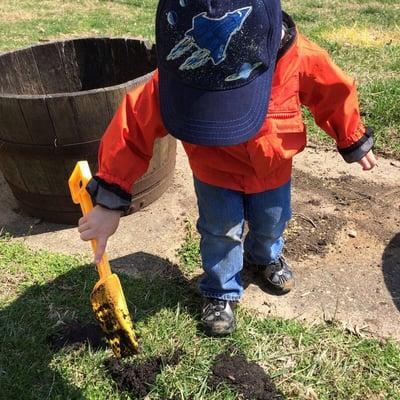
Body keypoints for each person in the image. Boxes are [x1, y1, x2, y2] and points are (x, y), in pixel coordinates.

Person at [78, 0, 377, 336]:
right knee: (219, 231)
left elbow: (332, 92)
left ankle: (265, 256)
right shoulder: (180, 69)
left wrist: (351, 137)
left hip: (271, 169)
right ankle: (220, 289)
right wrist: (109, 198)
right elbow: (134, 123)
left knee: (272, 221)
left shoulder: (297, 56)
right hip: (214, 173)